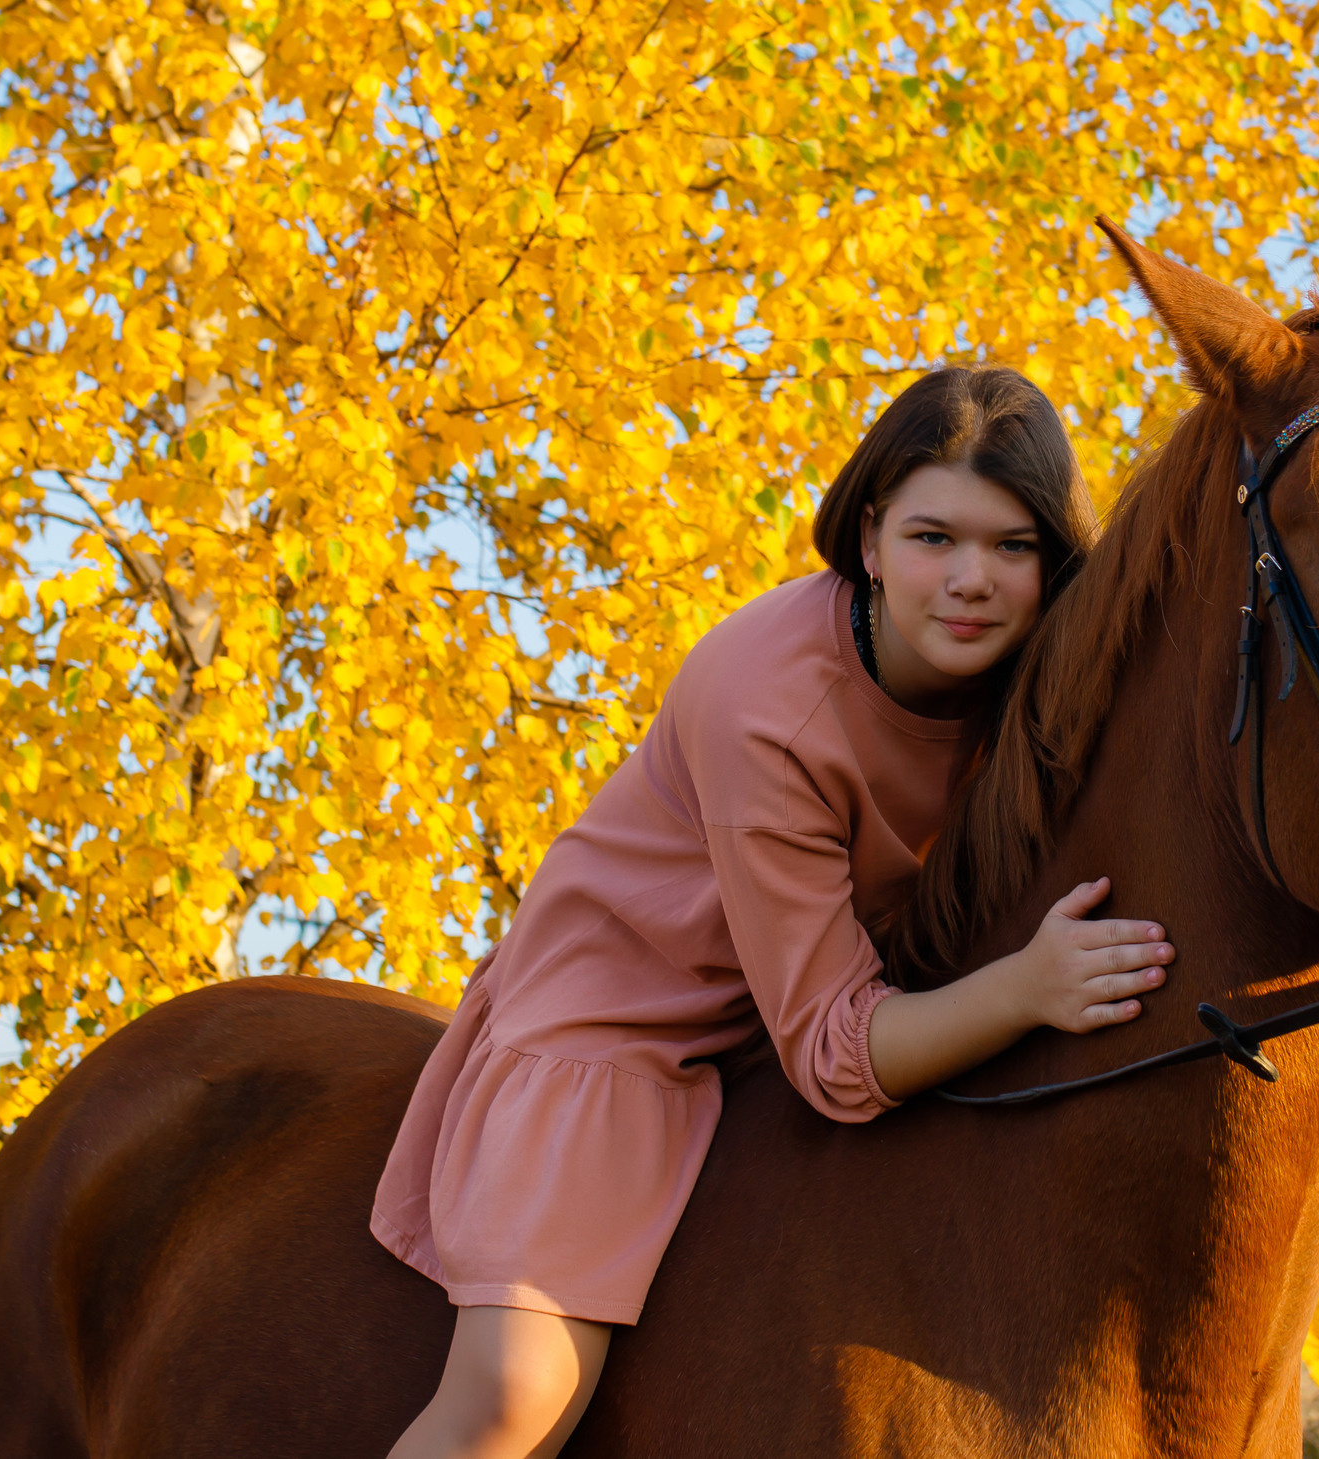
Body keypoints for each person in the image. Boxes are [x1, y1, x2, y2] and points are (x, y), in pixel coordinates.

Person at [374, 366, 1178, 1459]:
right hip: (630, 1021)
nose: (971, 581)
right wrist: (1028, 987)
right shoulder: (766, 704)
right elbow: (839, 1057)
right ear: (869, 539)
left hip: (841, 986)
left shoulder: (1032, 662)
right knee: (513, 1399)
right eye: (932, 538)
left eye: (1013, 546)